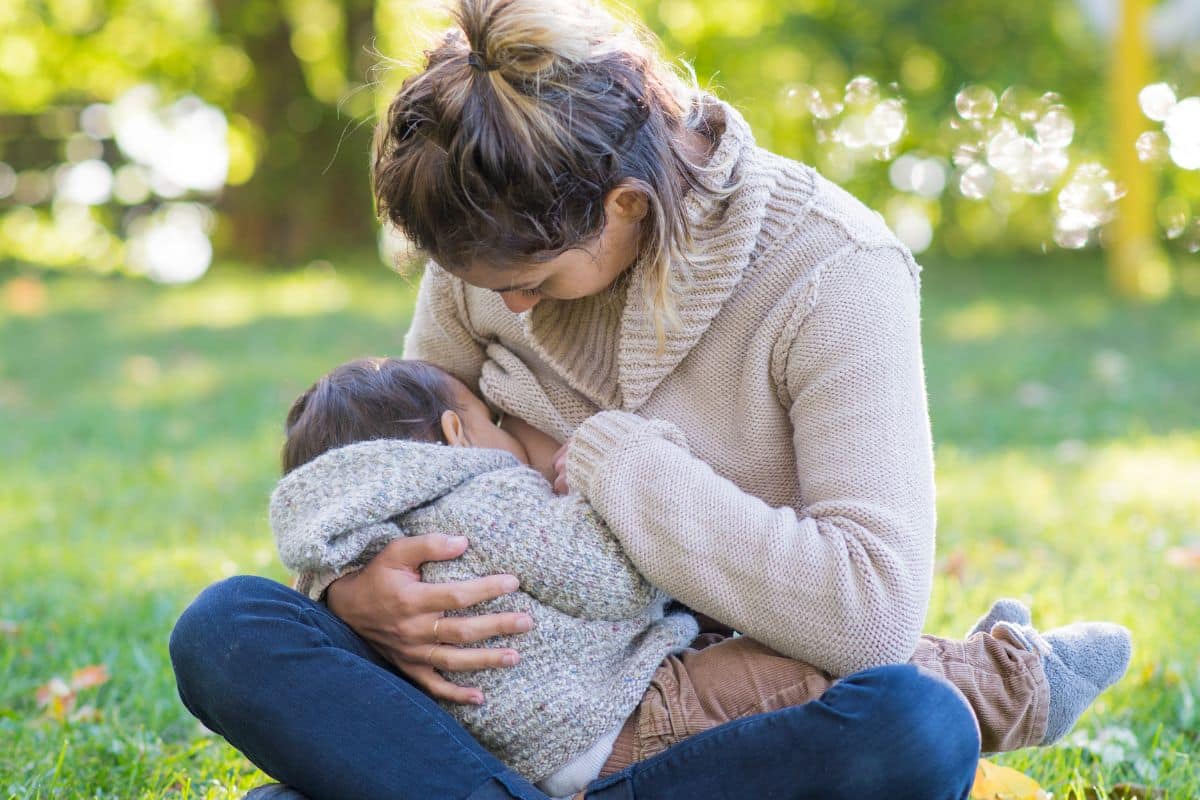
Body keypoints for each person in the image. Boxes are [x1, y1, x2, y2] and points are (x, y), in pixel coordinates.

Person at [170, 0, 1022, 796]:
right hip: (491, 706)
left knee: (916, 727)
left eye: (534, 281)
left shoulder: (833, 270)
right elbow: (400, 469)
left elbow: (870, 615)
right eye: (480, 283)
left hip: (707, 707)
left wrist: (628, 471)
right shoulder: (489, 242)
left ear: (626, 205)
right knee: (227, 629)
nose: (508, 306)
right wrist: (348, 591)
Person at [265, 355, 1131, 797]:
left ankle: (973, 658)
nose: (508, 434)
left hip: (553, 739)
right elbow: (605, 579)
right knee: (805, 673)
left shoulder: (359, 538)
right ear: (458, 435)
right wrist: (618, 478)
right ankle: (1018, 682)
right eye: (495, 418)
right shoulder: (480, 500)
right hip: (620, 721)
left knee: (809, 674)